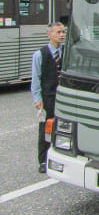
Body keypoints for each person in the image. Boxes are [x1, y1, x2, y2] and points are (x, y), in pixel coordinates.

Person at [31, 22, 66, 173]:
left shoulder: (67, 52)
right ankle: (43, 160)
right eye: (58, 32)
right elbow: (36, 78)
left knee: (65, 126)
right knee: (46, 129)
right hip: (48, 97)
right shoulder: (40, 54)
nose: (62, 35)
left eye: (63, 32)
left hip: (64, 96)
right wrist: (37, 98)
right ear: (49, 34)